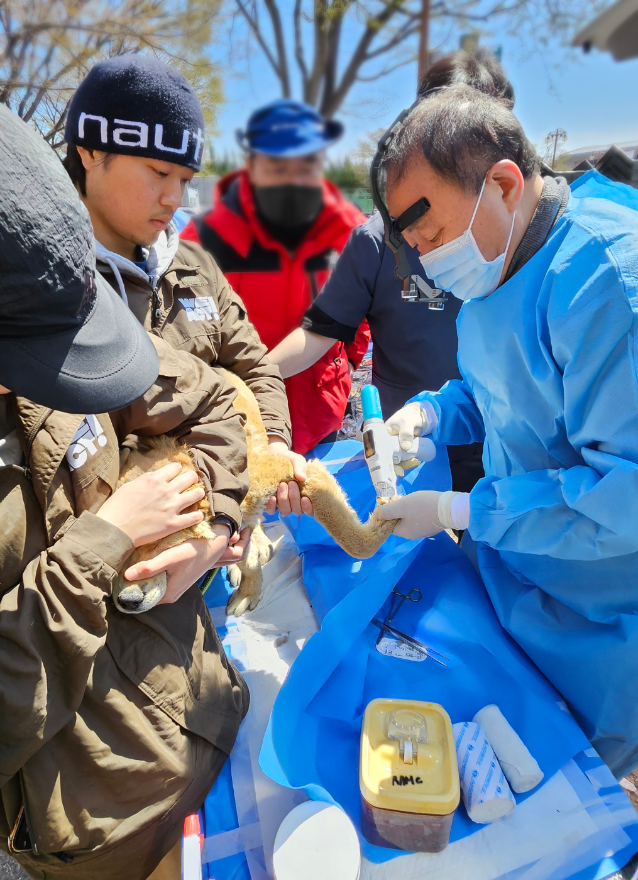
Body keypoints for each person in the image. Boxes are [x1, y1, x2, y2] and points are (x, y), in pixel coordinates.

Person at [375, 83, 638, 778]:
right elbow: (501, 388)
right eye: (414, 246)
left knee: (568, 794)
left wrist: (463, 510)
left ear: (502, 184)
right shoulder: (501, 266)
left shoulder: (618, 284)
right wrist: (434, 414)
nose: (428, 260)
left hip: (606, 619)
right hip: (519, 574)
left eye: (433, 236)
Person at [0, 105, 250, 879]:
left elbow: (215, 396)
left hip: (194, 736)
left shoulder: (46, 300)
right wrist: (102, 542)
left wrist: (212, 519)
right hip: (90, 832)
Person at [62, 56, 307, 521]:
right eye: (158, 172)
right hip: (98, 557)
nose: (175, 198)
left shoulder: (195, 266)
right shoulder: (45, 283)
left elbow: (255, 366)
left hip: (208, 530)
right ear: (92, 152)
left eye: (186, 180)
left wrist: (272, 448)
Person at [269, 48, 514, 494]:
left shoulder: (530, 241)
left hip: (506, 443)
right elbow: (321, 331)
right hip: (405, 441)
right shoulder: (378, 240)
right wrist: (254, 374)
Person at [180, 98, 371, 456]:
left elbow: (361, 309)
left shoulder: (349, 227)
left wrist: (346, 362)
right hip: (238, 418)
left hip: (318, 412)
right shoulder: (208, 231)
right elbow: (182, 323)